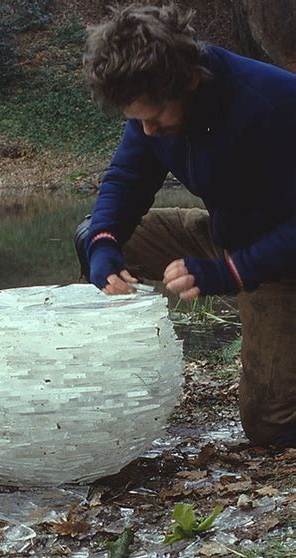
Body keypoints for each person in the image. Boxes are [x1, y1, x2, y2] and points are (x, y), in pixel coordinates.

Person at [74, 2, 296, 447]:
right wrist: (103, 244)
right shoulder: (152, 104)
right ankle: (99, 381)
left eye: (154, 118)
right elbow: (127, 178)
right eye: (136, 120)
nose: (147, 130)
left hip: (281, 261)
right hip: (224, 233)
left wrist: (233, 273)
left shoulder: (274, 103)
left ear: (190, 81)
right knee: (94, 235)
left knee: (268, 425)